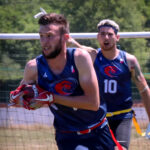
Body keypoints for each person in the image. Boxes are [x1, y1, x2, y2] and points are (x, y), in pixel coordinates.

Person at [9, 14, 123, 150]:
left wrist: (51, 98)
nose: (44, 41)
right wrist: (20, 98)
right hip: (66, 136)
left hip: (98, 131)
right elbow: (21, 98)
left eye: (50, 36)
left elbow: (93, 103)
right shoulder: (33, 67)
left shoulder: (80, 58)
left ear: (65, 38)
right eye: (41, 36)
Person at [68, 19, 150, 150]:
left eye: (110, 34)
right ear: (98, 37)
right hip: (98, 118)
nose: (106, 37)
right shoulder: (93, 57)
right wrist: (68, 40)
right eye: (102, 34)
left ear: (117, 37)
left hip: (122, 116)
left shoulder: (129, 61)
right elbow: (80, 49)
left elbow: (144, 90)